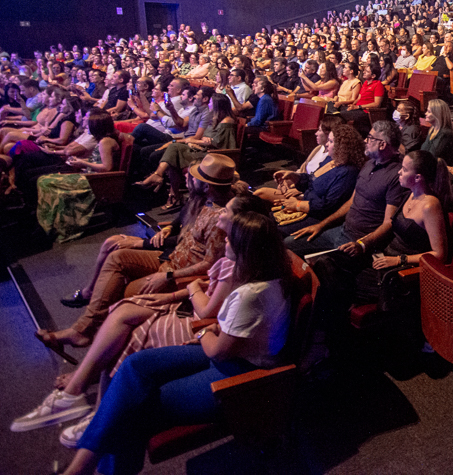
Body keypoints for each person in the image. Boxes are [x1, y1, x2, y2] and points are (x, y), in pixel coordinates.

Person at [9, 194, 272, 441]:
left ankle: (100, 414)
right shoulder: (218, 231)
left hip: (199, 319)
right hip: (188, 292)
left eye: (226, 211)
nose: (221, 212)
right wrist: (172, 290)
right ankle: (80, 386)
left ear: (240, 223)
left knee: (131, 330)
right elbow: (201, 270)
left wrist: (187, 289)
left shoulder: (234, 260)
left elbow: (210, 309)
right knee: (124, 307)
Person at [53, 211, 293, 475]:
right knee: (134, 365)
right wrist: (212, 328)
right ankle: (84, 464)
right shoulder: (265, 276)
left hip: (239, 375)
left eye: (231, 238)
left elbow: (218, 351)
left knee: (133, 408)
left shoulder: (250, 295)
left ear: (246, 249)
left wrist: (203, 331)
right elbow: (234, 332)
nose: (225, 240)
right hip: (234, 354)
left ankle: (83, 467)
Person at [34, 155, 236, 352]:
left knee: (122, 292)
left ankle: (92, 337)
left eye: (196, 177)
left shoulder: (220, 218)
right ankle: (83, 331)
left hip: (179, 275)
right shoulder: (206, 201)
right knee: (117, 257)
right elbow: (182, 224)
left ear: (207, 187)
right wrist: (168, 230)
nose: (189, 177)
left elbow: (209, 265)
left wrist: (167, 275)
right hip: (171, 259)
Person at [285, 120, 408, 264]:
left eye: (370, 138)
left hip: (358, 241)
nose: (365, 141)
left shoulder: (396, 175)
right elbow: (351, 202)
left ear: (382, 144)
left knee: (323, 265)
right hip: (341, 230)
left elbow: (389, 222)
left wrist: (362, 244)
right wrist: (321, 226)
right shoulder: (369, 164)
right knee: (288, 243)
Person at [354, 150, 450, 302]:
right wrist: (362, 243)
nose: (399, 172)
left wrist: (400, 260)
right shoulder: (410, 194)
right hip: (385, 258)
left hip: (402, 273)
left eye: (404, 170)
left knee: (344, 283)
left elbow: (440, 254)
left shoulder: (430, 206)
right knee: (335, 266)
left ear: (418, 177)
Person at [273, 124, 365, 233]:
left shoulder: (348, 173)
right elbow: (312, 181)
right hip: (307, 205)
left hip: (319, 217)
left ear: (343, 147)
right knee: (268, 218)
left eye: (331, 141)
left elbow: (328, 207)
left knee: (276, 231)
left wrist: (298, 205)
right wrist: (295, 177)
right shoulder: (330, 160)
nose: (326, 144)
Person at [421, 99, 453, 165]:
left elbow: (434, 157)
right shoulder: (432, 130)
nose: (426, 113)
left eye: (429, 111)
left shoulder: (446, 134)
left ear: (437, 114)